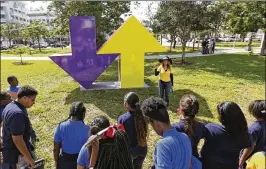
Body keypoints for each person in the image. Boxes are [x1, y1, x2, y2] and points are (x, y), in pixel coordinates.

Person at [141, 97, 197, 169]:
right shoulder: (185, 137)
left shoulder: (163, 145)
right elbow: (189, 166)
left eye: (151, 125)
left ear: (156, 124)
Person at [200, 101, 252, 169]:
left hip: (207, 164)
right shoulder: (245, 134)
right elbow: (251, 147)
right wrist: (242, 159)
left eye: (219, 114)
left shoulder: (212, 129)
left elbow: (197, 136)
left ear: (223, 117)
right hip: (230, 166)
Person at [1, 85, 38, 169]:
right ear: (25, 98)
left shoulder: (11, 105)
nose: (34, 102)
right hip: (16, 156)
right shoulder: (17, 114)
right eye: (33, 99)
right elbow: (18, 140)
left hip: (12, 152)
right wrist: (29, 159)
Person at [53, 102, 90, 169]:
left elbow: (56, 148)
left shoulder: (61, 126)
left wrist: (56, 161)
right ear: (83, 114)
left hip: (64, 161)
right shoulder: (88, 130)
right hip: (80, 162)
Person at [118, 92, 148, 169]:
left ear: (127, 105)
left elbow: (120, 137)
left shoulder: (122, 119)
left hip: (130, 151)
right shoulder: (144, 116)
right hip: (143, 149)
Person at [171, 94, 206, 159]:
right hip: (194, 161)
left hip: (179, 161)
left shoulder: (174, 128)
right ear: (196, 111)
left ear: (180, 110)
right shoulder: (201, 127)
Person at [239, 100, 266, 167]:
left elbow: (250, 147)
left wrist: (241, 160)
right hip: (262, 155)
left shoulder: (253, 129)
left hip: (251, 158)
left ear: (254, 113)